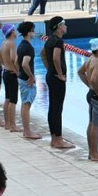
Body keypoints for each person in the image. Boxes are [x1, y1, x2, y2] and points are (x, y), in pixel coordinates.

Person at [41, 16, 72, 148]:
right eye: (64, 24)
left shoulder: (49, 40)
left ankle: (54, 137)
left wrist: (49, 69)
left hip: (50, 76)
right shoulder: (58, 41)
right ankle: (58, 139)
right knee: (57, 108)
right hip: (56, 79)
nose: (66, 27)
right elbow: (55, 58)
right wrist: (60, 74)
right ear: (59, 26)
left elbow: (43, 54)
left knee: (53, 108)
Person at [78, 38, 98, 161]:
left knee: (92, 123)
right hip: (97, 97)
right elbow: (95, 79)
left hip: (92, 95)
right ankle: (94, 154)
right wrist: (97, 90)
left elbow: (80, 72)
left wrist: (90, 86)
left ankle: (92, 152)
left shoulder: (91, 59)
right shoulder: (97, 62)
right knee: (95, 125)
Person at [16, 21, 41, 139]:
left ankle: (26, 130)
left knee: (24, 105)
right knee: (26, 105)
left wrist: (18, 73)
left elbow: (17, 62)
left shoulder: (21, 45)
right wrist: (31, 76)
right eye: (33, 30)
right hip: (26, 80)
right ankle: (27, 132)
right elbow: (24, 63)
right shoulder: (28, 47)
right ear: (29, 32)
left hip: (21, 78)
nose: (34, 33)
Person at [0, 24, 21, 133]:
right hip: (11, 73)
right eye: (14, 30)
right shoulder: (11, 43)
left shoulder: (3, 43)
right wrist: (17, 71)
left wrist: (5, 65)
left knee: (7, 98)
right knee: (13, 100)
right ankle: (13, 125)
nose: (16, 32)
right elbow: (14, 59)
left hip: (5, 72)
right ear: (12, 32)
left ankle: (7, 124)